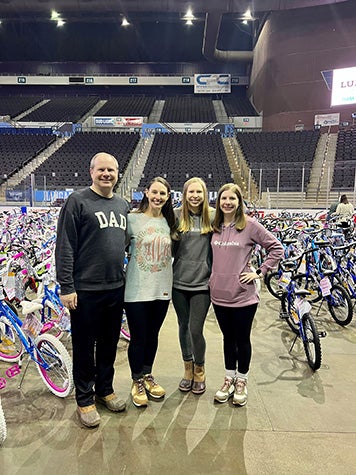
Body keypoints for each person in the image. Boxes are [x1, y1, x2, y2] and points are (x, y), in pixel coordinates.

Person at [55, 152, 129, 428]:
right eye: (102, 170)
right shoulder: (78, 201)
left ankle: (105, 390)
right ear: (92, 172)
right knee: (85, 347)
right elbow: (65, 246)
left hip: (115, 287)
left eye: (111, 169)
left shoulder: (122, 205)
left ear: (118, 173)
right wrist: (67, 286)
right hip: (85, 290)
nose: (106, 174)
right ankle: (85, 399)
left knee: (109, 345)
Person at [209, 183, 283, 406]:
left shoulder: (250, 225)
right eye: (224, 199)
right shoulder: (215, 226)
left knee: (242, 339)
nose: (228, 203)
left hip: (243, 296)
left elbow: (276, 248)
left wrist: (259, 272)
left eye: (232, 199)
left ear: (239, 202)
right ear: (219, 202)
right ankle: (229, 377)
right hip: (219, 295)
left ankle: (242, 380)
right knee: (227, 339)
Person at [124, 177, 177, 407]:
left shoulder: (170, 222)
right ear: (146, 192)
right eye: (154, 192)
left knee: (153, 336)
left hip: (162, 289)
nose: (158, 197)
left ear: (167, 197)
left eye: (162, 194)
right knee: (138, 337)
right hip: (136, 290)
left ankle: (147, 375)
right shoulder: (132, 220)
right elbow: (119, 248)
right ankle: (136, 380)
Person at [172, 177, 215, 395]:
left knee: (195, 329)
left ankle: (200, 369)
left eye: (199, 192)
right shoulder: (176, 215)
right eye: (191, 192)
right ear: (184, 194)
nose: (195, 196)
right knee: (182, 326)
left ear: (205, 194)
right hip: (178, 282)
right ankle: (187, 369)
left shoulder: (214, 215)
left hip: (202, 284)